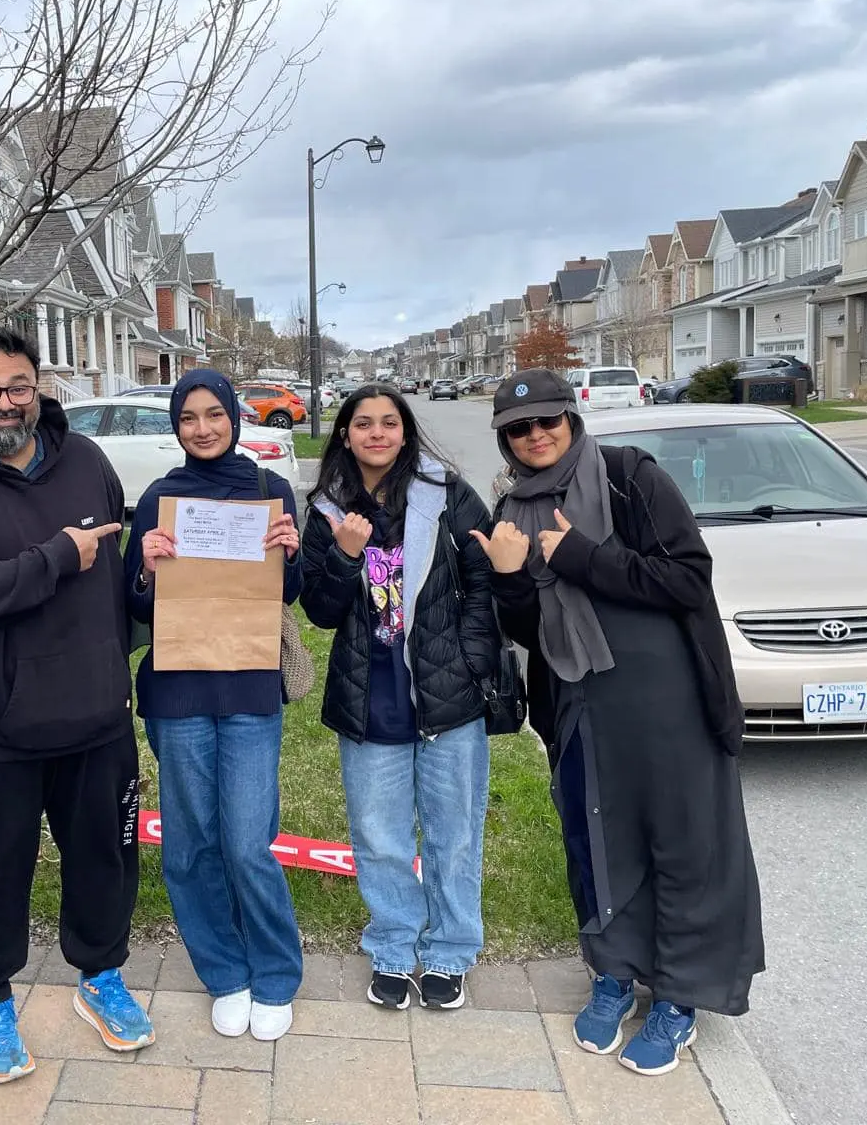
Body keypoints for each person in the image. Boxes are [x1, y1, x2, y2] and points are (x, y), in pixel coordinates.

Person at [471, 369, 764, 1077]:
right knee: (599, 838)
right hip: (578, 698)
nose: (535, 436)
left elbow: (687, 578)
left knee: (683, 841)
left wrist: (581, 557)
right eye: (518, 428)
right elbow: (530, 629)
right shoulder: (512, 507)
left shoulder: (629, 477)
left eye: (547, 421)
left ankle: (680, 995)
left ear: (571, 419)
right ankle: (613, 971)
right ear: (505, 440)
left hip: (667, 696)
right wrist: (509, 577)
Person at [0, 324, 154, 1085]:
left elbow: (113, 573)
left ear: (38, 388)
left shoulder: (87, 461)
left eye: (17, 387)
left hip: (95, 712)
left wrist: (150, 579)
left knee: (106, 859)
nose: (3, 402)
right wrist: (55, 557)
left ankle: (101, 975)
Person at [298, 383, 498, 1012]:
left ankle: (450, 951)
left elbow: (483, 581)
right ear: (346, 434)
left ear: (405, 431)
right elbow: (320, 611)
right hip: (370, 698)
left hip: (446, 697)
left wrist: (470, 663)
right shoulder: (328, 509)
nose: (377, 433)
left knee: (453, 835)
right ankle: (392, 946)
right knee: (380, 838)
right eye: (364, 423)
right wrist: (344, 555)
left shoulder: (446, 493)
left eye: (389, 422)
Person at [122, 370, 305, 1042]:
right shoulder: (160, 497)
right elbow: (134, 604)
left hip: (250, 687)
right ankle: (225, 972)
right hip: (179, 692)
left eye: (213, 414)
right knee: (190, 844)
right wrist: (145, 567)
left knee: (248, 842)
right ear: (176, 426)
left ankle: (276, 972)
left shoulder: (269, 490)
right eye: (188, 418)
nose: (202, 428)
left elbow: (290, 593)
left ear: (233, 417)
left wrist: (291, 553)